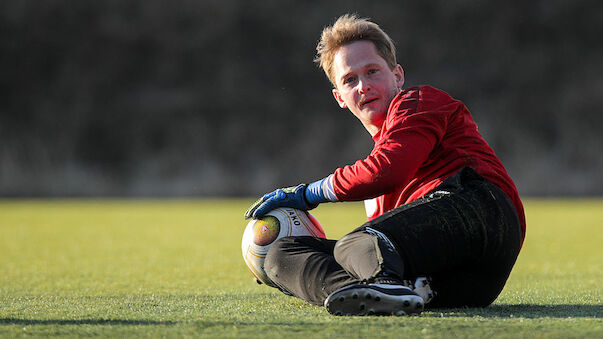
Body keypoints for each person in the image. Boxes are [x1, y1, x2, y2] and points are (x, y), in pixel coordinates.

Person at [244, 14, 525, 316]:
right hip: (448, 285)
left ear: (398, 76)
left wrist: (309, 193)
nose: (363, 85)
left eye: (372, 71)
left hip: (483, 217)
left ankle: (381, 284)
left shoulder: (419, 101)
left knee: (357, 243)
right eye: (350, 79)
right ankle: (366, 294)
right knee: (281, 255)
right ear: (340, 97)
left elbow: (387, 169)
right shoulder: (375, 195)